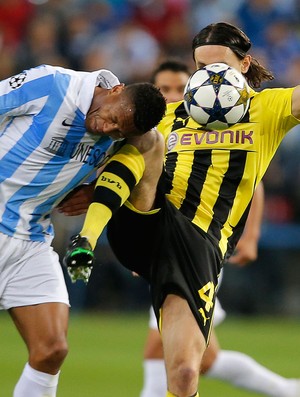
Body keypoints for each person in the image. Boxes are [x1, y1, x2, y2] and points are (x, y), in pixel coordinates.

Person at [65, 22, 300, 397]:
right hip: (148, 222)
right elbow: (130, 160)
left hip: (200, 248)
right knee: (146, 133)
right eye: (202, 67)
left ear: (244, 65)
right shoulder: (170, 114)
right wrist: (94, 189)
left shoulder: (268, 108)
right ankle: (86, 240)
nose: (210, 75)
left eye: (219, 65)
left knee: (187, 374)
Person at [0, 64, 166, 397]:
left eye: (119, 132)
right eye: (113, 119)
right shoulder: (52, 83)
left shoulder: (126, 135)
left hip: (31, 239)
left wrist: (95, 190)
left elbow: (148, 157)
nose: (108, 129)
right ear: (117, 90)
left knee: (52, 349)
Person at [140, 60, 300, 397]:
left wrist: (252, 234)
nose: (171, 95)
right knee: (206, 359)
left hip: (202, 246)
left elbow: (250, 182)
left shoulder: (216, 122)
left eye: (177, 88)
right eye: (163, 89)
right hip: (166, 244)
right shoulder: (159, 129)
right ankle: (287, 389)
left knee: (164, 350)